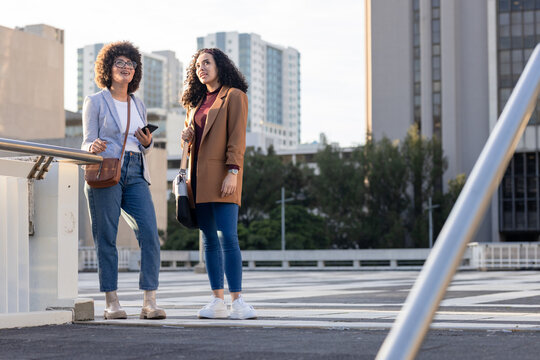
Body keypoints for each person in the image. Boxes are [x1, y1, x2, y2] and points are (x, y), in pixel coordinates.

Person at [82, 41, 166, 320]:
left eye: (130, 64)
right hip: (106, 171)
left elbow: (143, 144)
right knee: (106, 237)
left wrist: (147, 141)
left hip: (135, 172)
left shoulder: (137, 103)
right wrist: (92, 147)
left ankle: (149, 302)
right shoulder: (95, 101)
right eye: (120, 63)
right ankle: (111, 302)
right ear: (108, 68)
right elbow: (86, 141)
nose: (126, 68)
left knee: (150, 234)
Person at [181, 48, 256, 319]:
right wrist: (186, 136)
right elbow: (191, 146)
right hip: (198, 180)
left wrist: (233, 171)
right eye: (198, 65)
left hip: (224, 176)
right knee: (209, 241)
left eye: (207, 63)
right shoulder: (194, 103)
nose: (202, 68)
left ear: (220, 66)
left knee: (229, 238)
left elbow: (237, 137)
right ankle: (217, 301)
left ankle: (238, 301)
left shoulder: (234, 96)